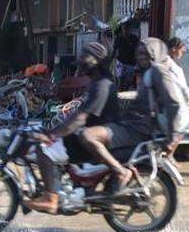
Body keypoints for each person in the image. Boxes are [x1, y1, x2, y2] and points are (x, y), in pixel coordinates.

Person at [80, 38, 189, 191]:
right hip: (138, 126)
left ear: (155, 52)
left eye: (145, 53)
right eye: (138, 53)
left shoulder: (158, 71)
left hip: (141, 130)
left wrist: (172, 135)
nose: (140, 56)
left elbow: (173, 103)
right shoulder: (149, 72)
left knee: (88, 136)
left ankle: (121, 172)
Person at [24, 42, 119, 214]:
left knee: (43, 148)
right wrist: (55, 129)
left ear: (96, 61)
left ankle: (50, 198)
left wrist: (52, 135)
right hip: (87, 136)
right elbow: (77, 116)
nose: (81, 64)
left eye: (85, 59)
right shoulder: (96, 83)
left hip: (92, 140)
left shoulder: (101, 86)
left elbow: (80, 119)